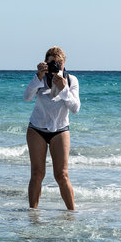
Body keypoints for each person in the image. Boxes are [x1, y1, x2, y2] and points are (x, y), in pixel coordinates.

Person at [23, 46, 81, 210]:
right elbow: (27, 97)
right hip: (37, 129)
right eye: (52, 63)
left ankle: (72, 213)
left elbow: (75, 108)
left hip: (60, 129)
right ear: (45, 63)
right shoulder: (40, 79)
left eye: (59, 63)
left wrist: (64, 89)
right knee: (37, 174)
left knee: (62, 175)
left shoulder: (70, 80)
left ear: (64, 63)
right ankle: (32, 214)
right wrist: (38, 77)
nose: (56, 66)